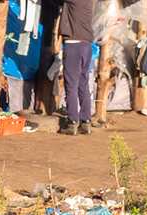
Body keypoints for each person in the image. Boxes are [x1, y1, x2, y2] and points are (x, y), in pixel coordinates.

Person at [56, 0, 94, 135]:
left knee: (71, 84)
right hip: (86, 44)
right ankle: (86, 121)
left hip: (73, 44)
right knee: (83, 83)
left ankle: (72, 122)